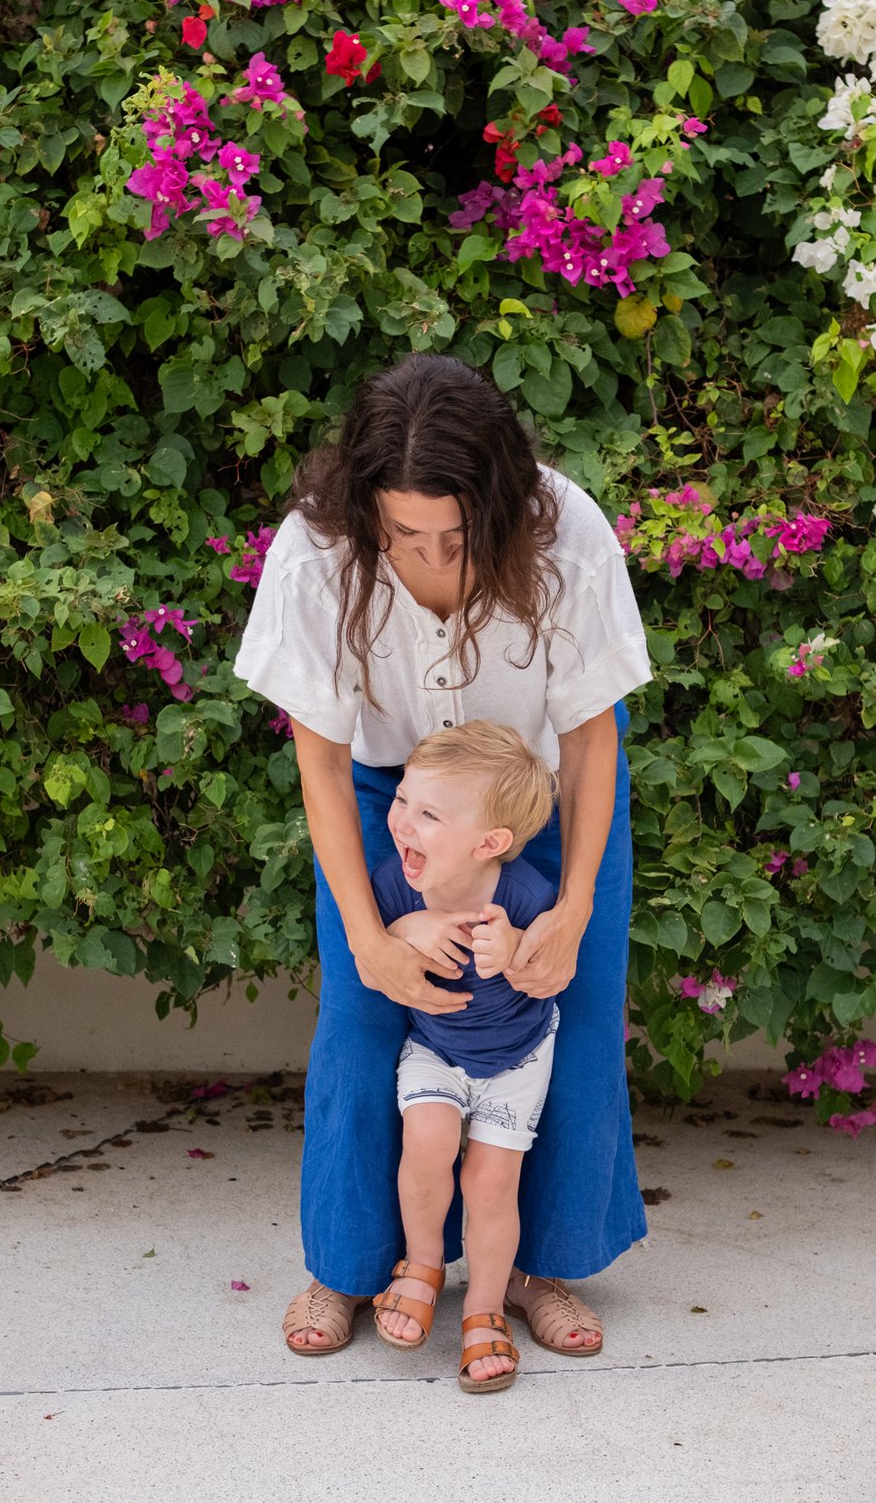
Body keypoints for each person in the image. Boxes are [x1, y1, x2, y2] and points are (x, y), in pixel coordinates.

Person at [233, 351, 652, 1366]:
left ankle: (540, 1268)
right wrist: (369, 935)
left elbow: (594, 738)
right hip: (391, 803)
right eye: (404, 532)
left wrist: (573, 906)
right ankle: (347, 1265)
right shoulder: (313, 550)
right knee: (363, 1017)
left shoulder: (569, 532)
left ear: (502, 502)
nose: (428, 552)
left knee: (576, 1012)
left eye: (454, 535)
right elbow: (320, 760)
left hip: (543, 803)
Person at [362, 722, 561, 1392]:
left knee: (489, 1184)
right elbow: (375, 950)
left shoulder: (523, 894)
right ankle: (422, 1264)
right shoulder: (396, 884)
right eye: (403, 800)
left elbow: (553, 969)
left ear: (491, 843)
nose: (403, 822)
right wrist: (404, 928)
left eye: (428, 813)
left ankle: (483, 1307)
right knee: (427, 1139)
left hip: (516, 1058)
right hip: (437, 1049)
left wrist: (511, 952)